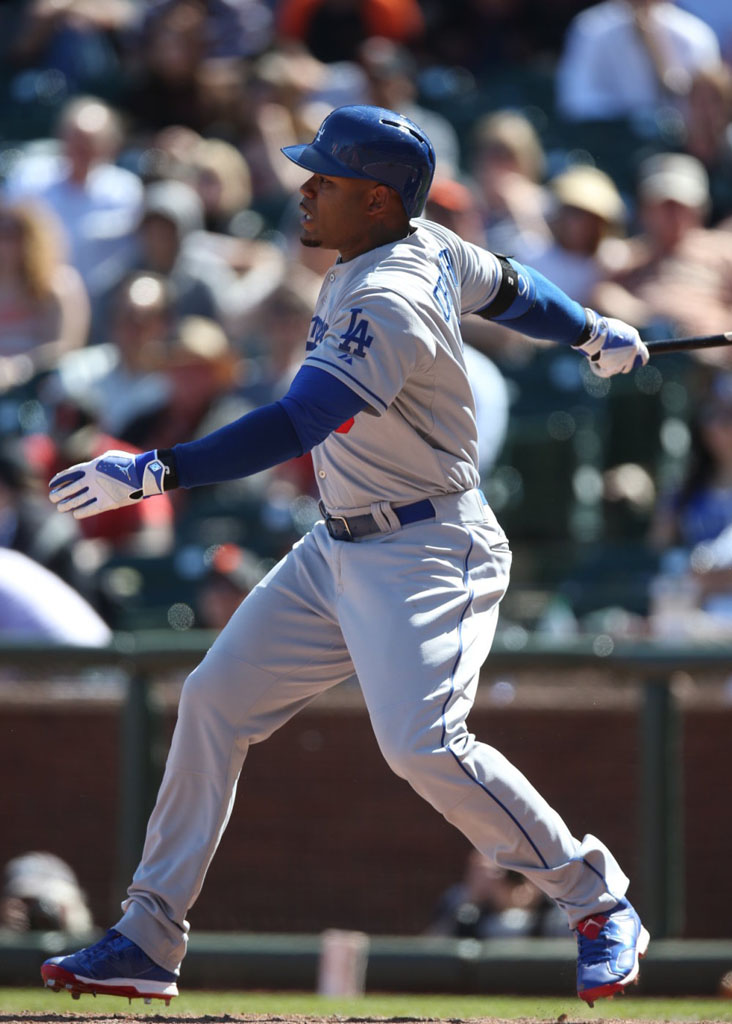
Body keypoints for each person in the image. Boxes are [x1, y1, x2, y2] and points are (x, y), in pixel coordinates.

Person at [41, 105, 650, 1009]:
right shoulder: (428, 247)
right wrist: (590, 328)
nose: (304, 187)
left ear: (375, 199)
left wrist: (157, 468)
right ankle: (148, 935)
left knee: (423, 745)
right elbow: (514, 287)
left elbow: (300, 420)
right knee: (214, 700)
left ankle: (599, 904)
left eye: (324, 177)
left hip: (429, 548)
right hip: (342, 543)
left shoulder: (390, 293)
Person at [555, 0, 721, 123]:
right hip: (607, 144)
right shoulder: (591, 29)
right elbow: (575, 101)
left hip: (677, 146)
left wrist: (658, 50)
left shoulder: (694, 35)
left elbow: (710, 105)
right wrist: (631, 119)